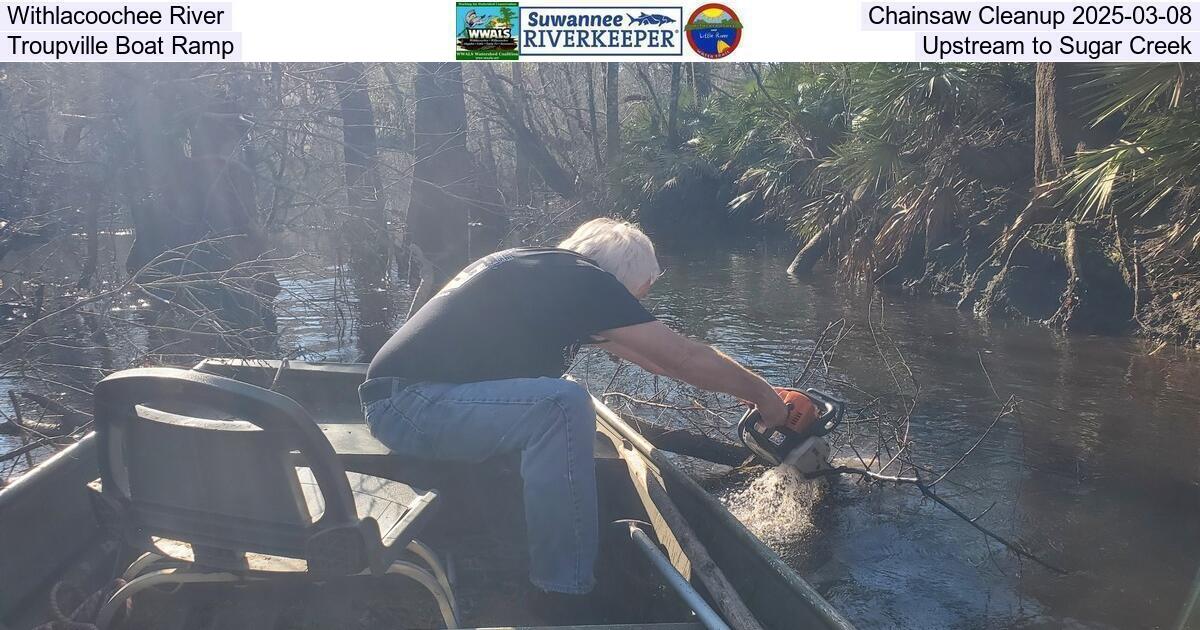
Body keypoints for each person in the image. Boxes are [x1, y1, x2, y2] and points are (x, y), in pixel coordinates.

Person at [359, 218, 788, 601]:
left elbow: (658, 360)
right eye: (641, 293)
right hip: (409, 406)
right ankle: (563, 586)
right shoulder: (582, 280)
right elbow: (683, 357)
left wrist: (749, 390)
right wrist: (767, 398)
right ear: (623, 276)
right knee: (563, 405)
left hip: (412, 402)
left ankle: (543, 550)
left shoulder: (547, 273)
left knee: (561, 397)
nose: (640, 304)